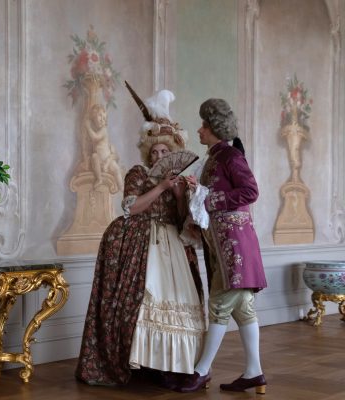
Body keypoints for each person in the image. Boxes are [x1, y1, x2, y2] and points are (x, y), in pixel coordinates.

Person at [76, 90, 205, 387]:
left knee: (179, 302)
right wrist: (160, 187)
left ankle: (173, 366)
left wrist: (179, 195)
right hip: (141, 242)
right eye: (155, 152)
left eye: (164, 151)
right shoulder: (138, 173)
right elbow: (131, 208)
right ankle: (143, 363)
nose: (159, 156)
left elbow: (181, 219)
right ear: (148, 152)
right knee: (142, 301)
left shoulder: (178, 180)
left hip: (173, 245)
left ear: (172, 152)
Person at [179, 98, 268, 394]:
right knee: (243, 308)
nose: (199, 130)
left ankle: (201, 370)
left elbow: (250, 191)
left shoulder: (230, 156)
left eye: (203, 125)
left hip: (235, 245)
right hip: (222, 243)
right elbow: (213, 195)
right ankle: (254, 372)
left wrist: (209, 199)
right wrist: (198, 193)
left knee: (219, 304)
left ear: (215, 127)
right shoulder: (213, 158)